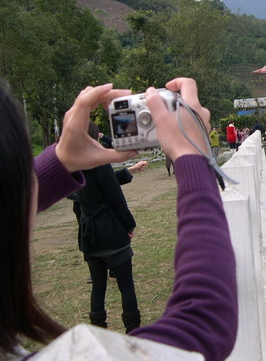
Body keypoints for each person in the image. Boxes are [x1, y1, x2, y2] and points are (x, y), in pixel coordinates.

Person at [0, 79, 237, 360]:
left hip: (89, 239)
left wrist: (61, 159)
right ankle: (129, 322)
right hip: (113, 237)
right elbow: (204, 321)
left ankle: (99, 319)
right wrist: (193, 158)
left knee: (99, 284)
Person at [76, 122, 142, 333]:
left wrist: (128, 171)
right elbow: (114, 195)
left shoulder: (73, 163)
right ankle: (133, 332)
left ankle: (98, 332)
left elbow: (97, 186)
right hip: (110, 232)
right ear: (96, 136)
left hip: (89, 234)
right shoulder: (99, 161)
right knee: (126, 285)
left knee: (98, 286)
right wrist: (129, 224)